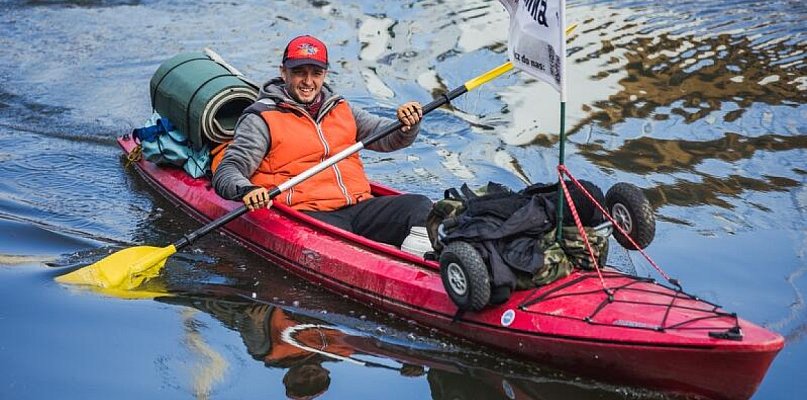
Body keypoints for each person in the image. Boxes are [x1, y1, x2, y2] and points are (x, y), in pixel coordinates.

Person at [212, 35, 432, 247]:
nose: (308, 81)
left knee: (420, 206)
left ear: (325, 74)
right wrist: (247, 190)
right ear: (283, 73)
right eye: (299, 72)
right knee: (345, 242)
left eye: (316, 73)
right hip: (307, 215)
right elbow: (229, 169)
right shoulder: (260, 118)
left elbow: (388, 137)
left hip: (358, 207)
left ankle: (430, 265)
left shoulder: (341, 108)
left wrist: (407, 124)